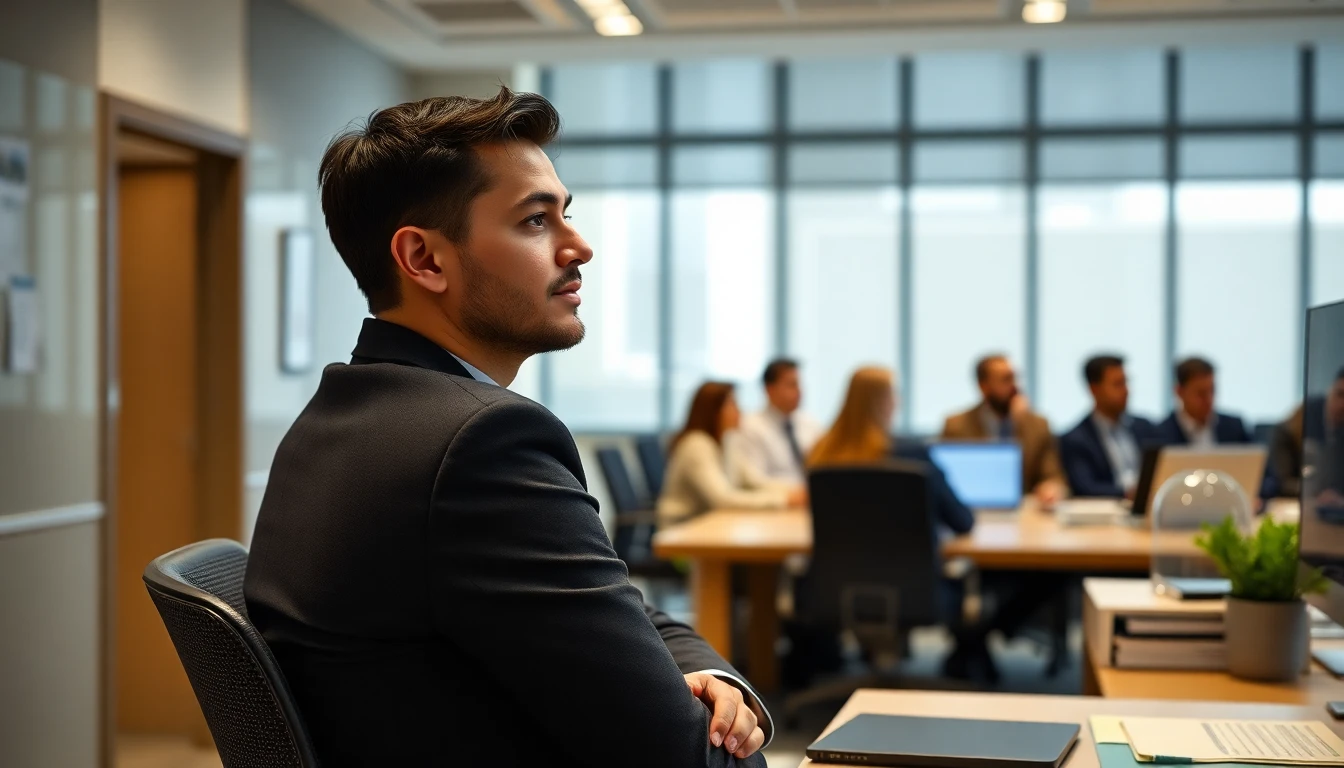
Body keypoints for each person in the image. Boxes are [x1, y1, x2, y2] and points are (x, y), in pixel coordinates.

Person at [243, 89, 771, 768]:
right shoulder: (478, 445)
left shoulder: (341, 419)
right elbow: (682, 761)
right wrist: (736, 736)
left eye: (567, 215)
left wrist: (715, 678)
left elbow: (618, 604)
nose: (578, 246)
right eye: (534, 221)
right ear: (425, 260)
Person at [803, 366, 988, 679]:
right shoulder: (913, 455)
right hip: (917, 592)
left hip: (836, 590)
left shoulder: (822, 453)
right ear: (885, 402)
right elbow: (962, 521)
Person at [658, 381, 806, 526]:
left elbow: (753, 481)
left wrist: (793, 492)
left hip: (711, 525)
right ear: (713, 411)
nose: (740, 411)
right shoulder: (696, 445)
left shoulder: (726, 443)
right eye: (733, 404)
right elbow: (722, 500)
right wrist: (784, 501)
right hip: (682, 533)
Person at [942, 354, 1066, 506]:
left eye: (1015, 378)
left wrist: (1051, 488)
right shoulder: (956, 426)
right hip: (972, 507)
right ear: (983, 386)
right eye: (1006, 379)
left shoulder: (1037, 425)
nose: (1015, 387)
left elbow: (1053, 476)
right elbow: (945, 479)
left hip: (1022, 512)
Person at [1059, 355, 1156, 499]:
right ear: (1094, 389)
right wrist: (1129, 493)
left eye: (1126, 382)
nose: (1126, 391)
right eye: (1117, 384)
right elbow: (1085, 488)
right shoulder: (1076, 439)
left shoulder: (1145, 427)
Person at [731, 358, 824, 485]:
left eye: (799, 384)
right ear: (770, 389)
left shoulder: (810, 424)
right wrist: (795, 493)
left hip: (812, 497)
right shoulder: (750, 426)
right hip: (778, 500)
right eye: (792, 385)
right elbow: (754, 480)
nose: (799, 391)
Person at [1153, 357, 1251, 447]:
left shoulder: (1234, 428)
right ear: (1179, 392)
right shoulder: (1160, 434)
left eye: (1212, 391)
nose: (1209, 399)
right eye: (1201, 393)